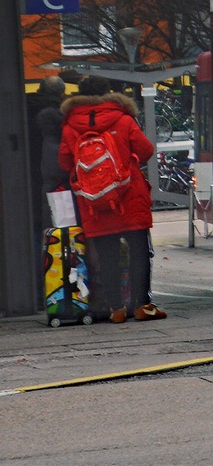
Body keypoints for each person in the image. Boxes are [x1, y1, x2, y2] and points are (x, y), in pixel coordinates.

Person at [59, 75, 166, 324]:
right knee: (139, 252)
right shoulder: (123, 118)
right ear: (107, 93)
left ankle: (116, 309)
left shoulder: (70, 125)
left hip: (94, 202)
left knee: (107, 256)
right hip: (128, 196)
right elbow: (147, 150)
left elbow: (65, 162)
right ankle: (142, 306)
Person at [30, 75, 69, 230]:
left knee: (33, 220)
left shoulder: (23, 106)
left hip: (27, 172)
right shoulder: (61, 116)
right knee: (60, 224)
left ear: (39, 89)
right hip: (56, 180)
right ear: (61, 94)